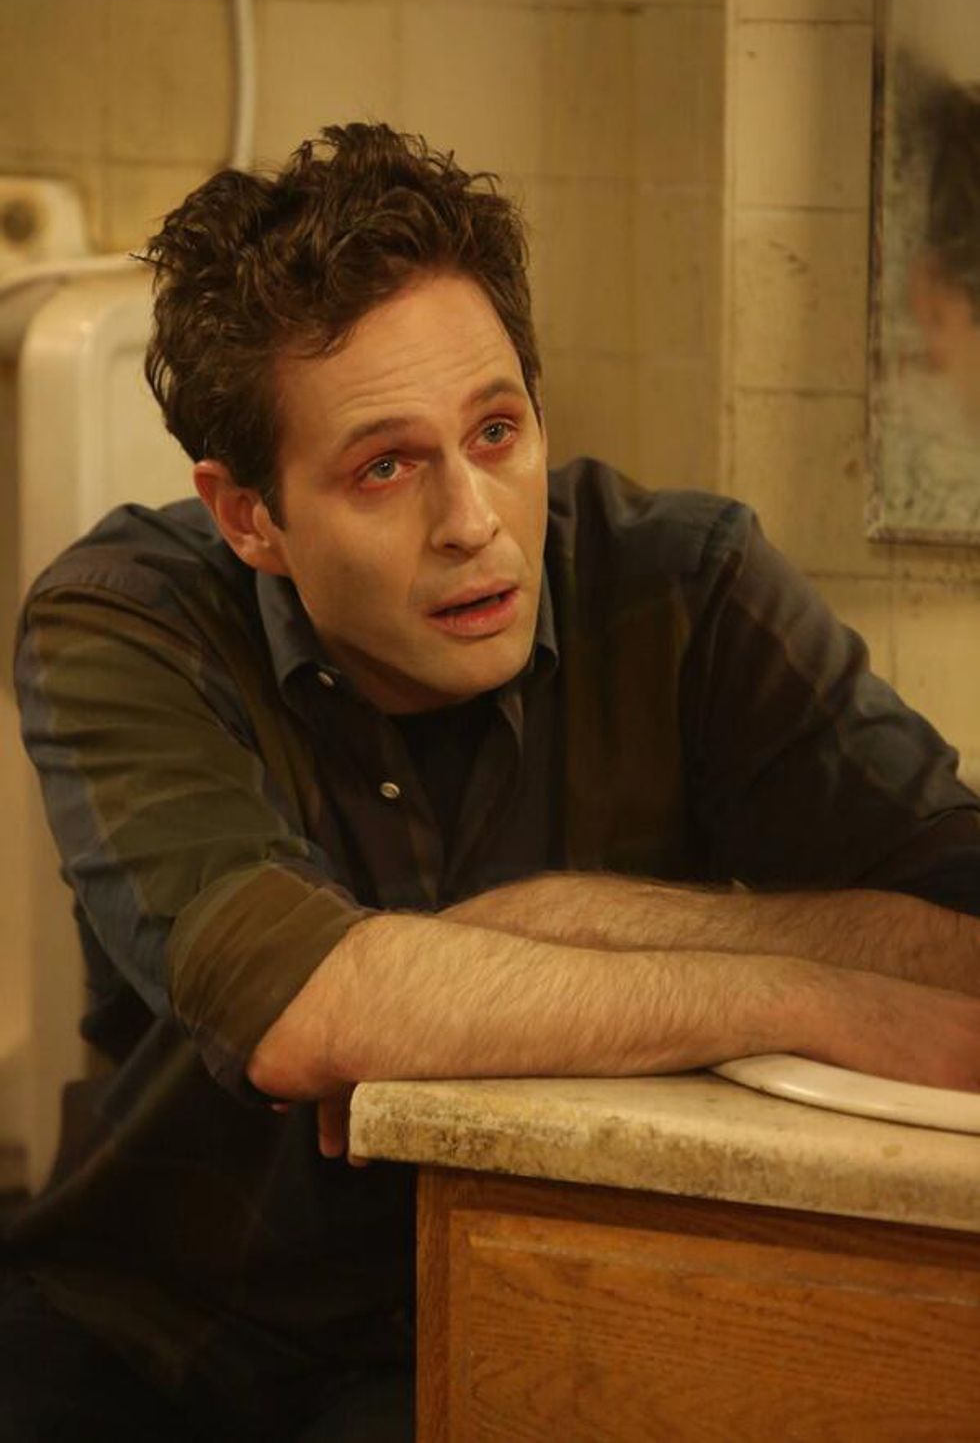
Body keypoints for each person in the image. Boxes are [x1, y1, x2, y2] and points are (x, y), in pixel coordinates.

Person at [4, 122, 979, 1442]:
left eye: (497, 430)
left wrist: (552, 927)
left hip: (561, 1312)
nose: (473, 520)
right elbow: (298, 1004)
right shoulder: (127, 615)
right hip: (162, 1324)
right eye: (385, 466)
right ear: (250, 517)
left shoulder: (685, 589)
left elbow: (964, 931)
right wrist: (806, 995)